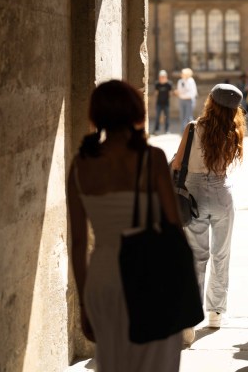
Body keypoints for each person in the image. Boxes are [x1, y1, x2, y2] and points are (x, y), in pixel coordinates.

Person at [67, 80, 183, 372]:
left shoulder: (80, 167)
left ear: (96, 116)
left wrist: (83, 303)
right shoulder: (152, 159)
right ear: (135, 112)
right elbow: (174, 228)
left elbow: (79, 244)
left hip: (104, 278)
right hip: (150, 275)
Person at [171, 84, 247, 343]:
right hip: (222, 194)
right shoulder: (235, 130)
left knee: (196, 257)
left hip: (194, 196)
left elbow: (178, 163)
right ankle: (216, 312)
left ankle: (190, 323)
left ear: (211, 102)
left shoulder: (193, 128)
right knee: (221, 254)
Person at [152, 70, 173, 134]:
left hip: (166, 103)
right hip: (159, 103)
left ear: (166, 77)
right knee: (157, 116)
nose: (162, 78)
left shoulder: (169, 84)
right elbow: (156, 93)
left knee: (166, 117)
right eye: (161, 77)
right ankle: (156, 130)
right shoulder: (157, 84)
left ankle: (167, 130)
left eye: (163, 77)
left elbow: (170, 93)